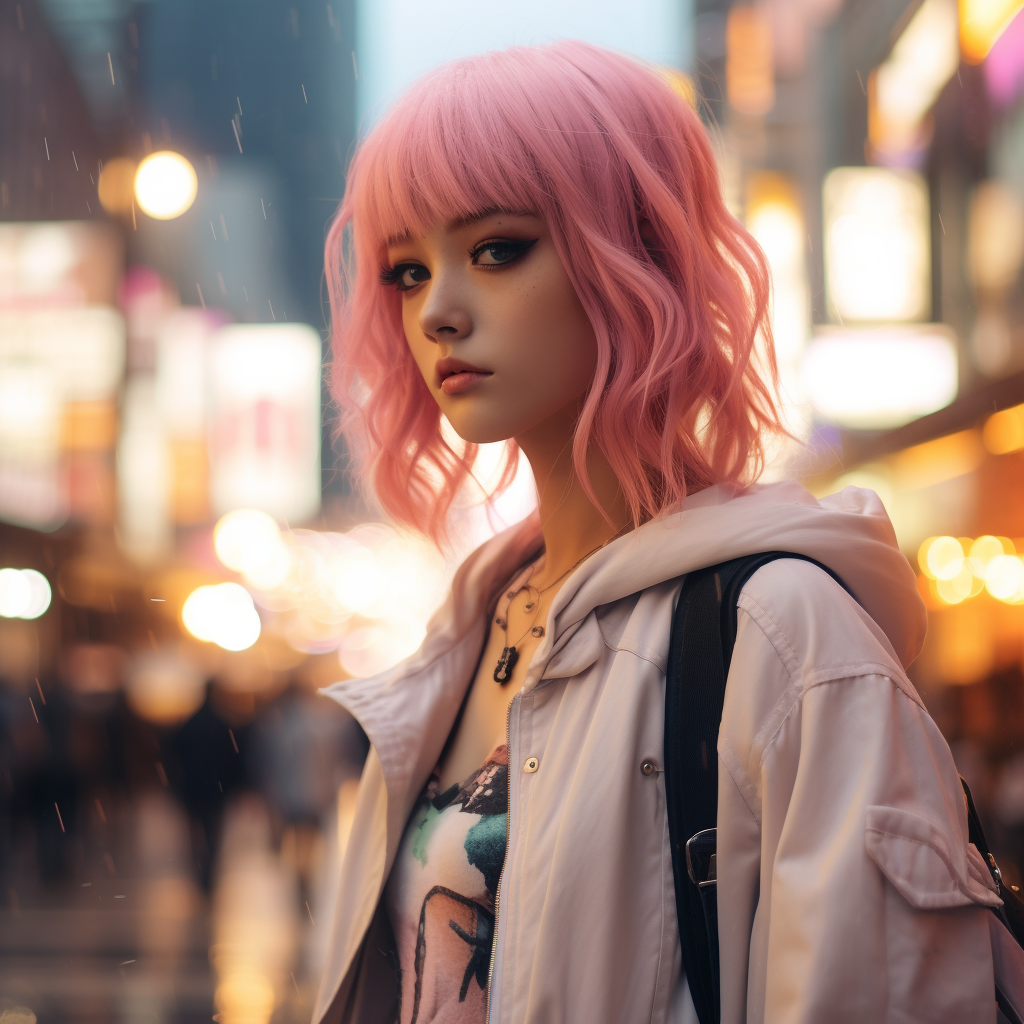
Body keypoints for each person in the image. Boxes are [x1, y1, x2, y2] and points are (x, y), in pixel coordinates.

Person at [314, 40, 1001, 1024]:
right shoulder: (470, 633)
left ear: (630, 253)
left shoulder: (781, 630)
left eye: (497, 248)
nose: (439, 313)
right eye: (408, 271)